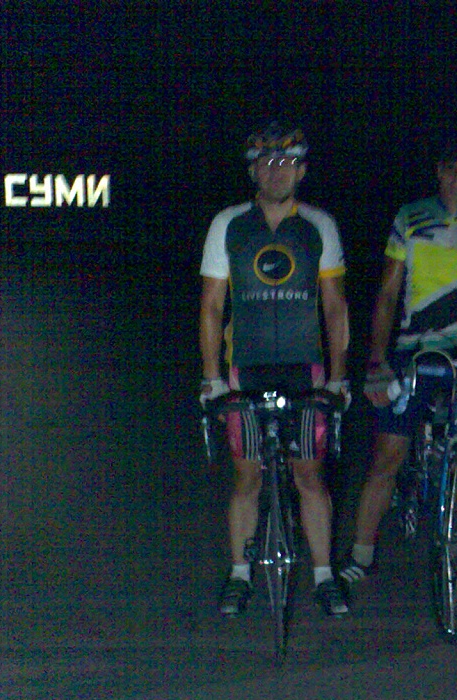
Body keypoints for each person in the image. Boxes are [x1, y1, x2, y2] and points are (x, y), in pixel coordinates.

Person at [338, 135, 457, 584]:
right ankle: (361, 553)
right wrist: (377, 361)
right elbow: (387, 293)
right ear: (439, 171)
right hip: (412, 350)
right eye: (451, 170)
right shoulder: (411, 217)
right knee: (388, 453)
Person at [198, 121, 352, 617]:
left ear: (302, 170)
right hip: (246, 367)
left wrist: (338, 377)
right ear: (252, 171)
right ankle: (240, 574)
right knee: (247, 478)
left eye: (287, 162)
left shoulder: (319, 225)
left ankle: (325, 576)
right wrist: (212, 378)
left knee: (310, 476)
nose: (276, 171)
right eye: (265, 162)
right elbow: (211, 306)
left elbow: (335, 307)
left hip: (304, 367)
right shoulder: (228, 224)